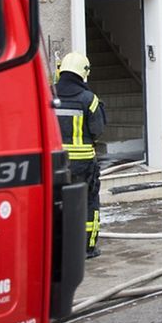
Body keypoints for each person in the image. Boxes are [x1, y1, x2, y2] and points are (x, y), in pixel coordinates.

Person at [54, 52, 107, 259]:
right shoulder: (89, 99)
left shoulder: (49, 95)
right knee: (88, 203)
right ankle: (87, 248)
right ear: (83, 73)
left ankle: (56, 246)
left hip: (55, 163)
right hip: (83, 165)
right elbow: (97, 130)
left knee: (55, 203)